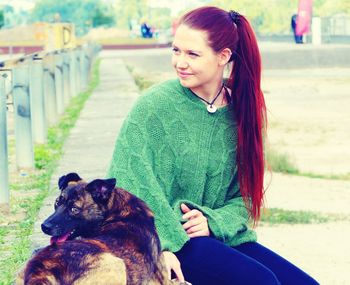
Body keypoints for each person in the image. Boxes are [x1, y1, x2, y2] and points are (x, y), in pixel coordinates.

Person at [108, 6, 319, 285]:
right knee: (261, 282)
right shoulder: (154, 106)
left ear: (223, 57)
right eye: (176, 51)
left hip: (216, 235)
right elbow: (127, 183)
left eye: (192, 54)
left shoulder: (243, 112)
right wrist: (161, 248)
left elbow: (245, 198)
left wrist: (213, 221)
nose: (180, 62)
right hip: (165, 235)